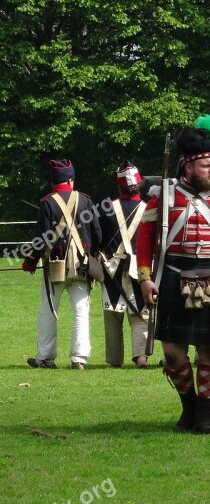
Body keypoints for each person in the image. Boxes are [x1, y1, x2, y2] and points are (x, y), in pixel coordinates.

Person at [136, 115, 210, 434]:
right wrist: (146, 277)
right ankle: (189, 406)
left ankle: (205, 415)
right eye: (206, 166)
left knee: (209, 352)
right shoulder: (163, 196)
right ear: (188, 167)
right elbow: (146, 238)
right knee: (173, 353)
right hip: (175, 276)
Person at [23, 159, 102, 370]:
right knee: (80, 310)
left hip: (55, 266)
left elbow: (40, 238)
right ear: (71, 180)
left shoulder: (48, 203)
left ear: (53, 183)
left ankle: (46, 358)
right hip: (82, 266)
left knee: (48, 310)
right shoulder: (85, 201)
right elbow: (97, 234)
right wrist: (90, 255)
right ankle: (79, 359)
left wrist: (30, 261)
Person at [98, 160, 149, 368]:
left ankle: (114, 360)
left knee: (113, 315)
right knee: (140, 313)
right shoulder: (149, 208)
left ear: (119, 185)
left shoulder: (106, 207)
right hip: (141, 267)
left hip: (112, 267)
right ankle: (141, 356)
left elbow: (99, 237)